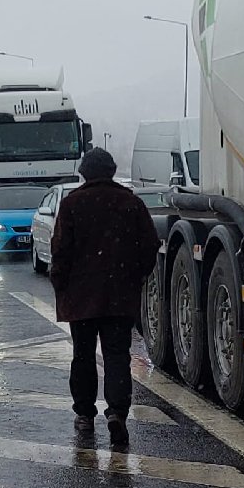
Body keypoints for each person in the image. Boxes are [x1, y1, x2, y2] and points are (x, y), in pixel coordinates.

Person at [50, 148, 160, 449]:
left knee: (83, 356)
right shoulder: (131, 203)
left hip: (80, 297)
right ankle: (117, 414)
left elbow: (60, 250)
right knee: (116, 356)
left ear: (84, 172)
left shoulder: (72, 204)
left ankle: (85, 414)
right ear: (112, 171)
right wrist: (135, 276)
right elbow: (150, 245)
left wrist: (60, 284)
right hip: (119, 296)